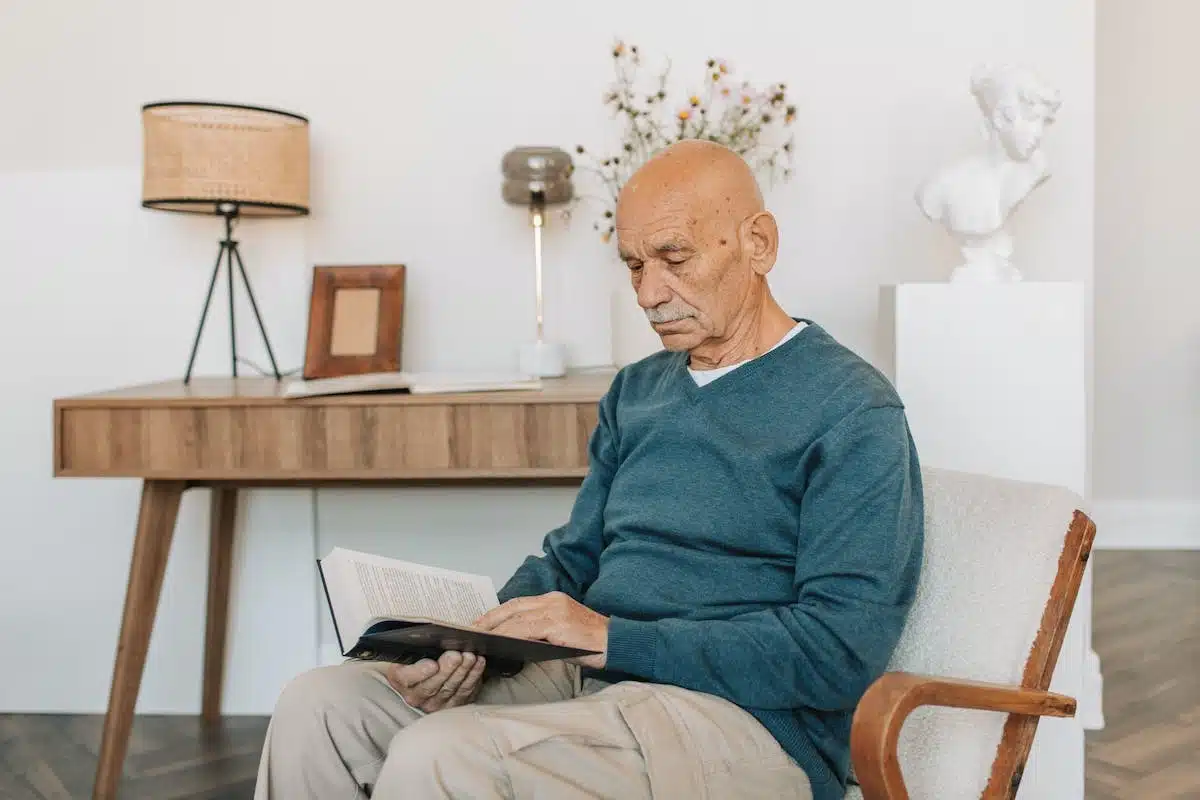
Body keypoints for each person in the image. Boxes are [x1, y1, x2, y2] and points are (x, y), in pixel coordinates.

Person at [254, 140, 924, 800]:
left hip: (744, 725)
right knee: (320, 707)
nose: (649, 292)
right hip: (592, 679)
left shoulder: (851, 409)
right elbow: (572, 561)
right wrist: (476, 639)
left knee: (440, 756)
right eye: (633, 264)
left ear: (759, 244)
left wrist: (612, 639)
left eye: (674, 258)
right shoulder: (638, 392)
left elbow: (838, 652)